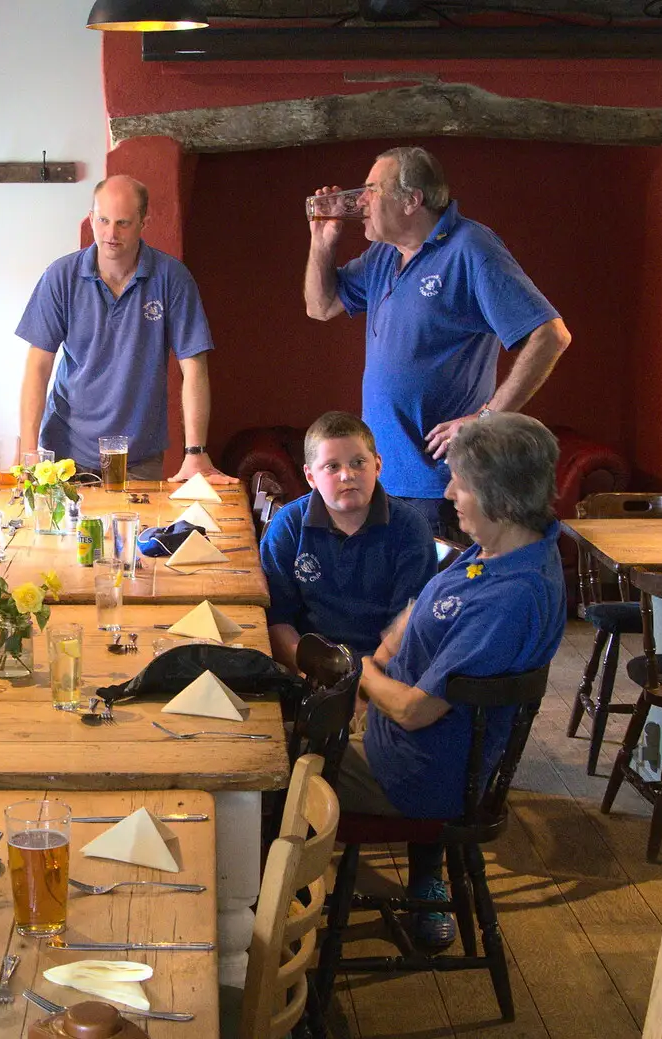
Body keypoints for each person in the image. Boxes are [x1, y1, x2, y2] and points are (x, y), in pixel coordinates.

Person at [341, 413, 565, 947]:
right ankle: (421, 880)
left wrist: (361, 673)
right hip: (412, 742)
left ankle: (276, 925)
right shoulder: (502, 549)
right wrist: (373, 673)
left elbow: (416, 711)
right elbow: (421, 609)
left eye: (460, 483)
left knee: (268, 768)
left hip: (420, 773)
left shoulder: (511, 597)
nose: (448, 492)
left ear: (500, 498)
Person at [303, 146, 571, 538]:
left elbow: (551, 335)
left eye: (372, 189)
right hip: (383, 480)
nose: (359, 199)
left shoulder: (470, 248)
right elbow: (320, 306)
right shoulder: (382, 256)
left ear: (411, 200)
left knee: (436, 598)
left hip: (441, 488)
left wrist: (485, 419)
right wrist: (322, 242)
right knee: (397, 600)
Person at [17, 175, 235, 483]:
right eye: (103, 220)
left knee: (136, 533)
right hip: (65, 454)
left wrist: (195, 451)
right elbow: (38, 368)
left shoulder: (172, 278)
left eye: (123, 223)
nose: (110, 233)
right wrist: (29, 453)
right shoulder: (60, 277)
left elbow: (195, 368)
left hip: (138, 458)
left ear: (143, 223)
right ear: (91, 218)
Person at [261, 411, 435, 669]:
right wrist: (312, 673)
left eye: (358, 463)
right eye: (332, 466)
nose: (347, 475)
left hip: (385, 668)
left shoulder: (411, 528)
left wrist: (367, 683)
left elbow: (406, 627)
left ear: (377, 466)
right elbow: (277, 620)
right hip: (309, 666)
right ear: (310, 477)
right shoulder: (289, 525)